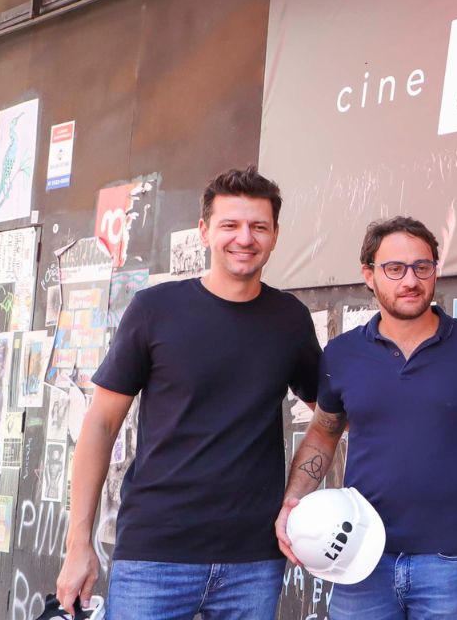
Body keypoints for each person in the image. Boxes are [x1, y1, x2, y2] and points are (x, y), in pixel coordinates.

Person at [57, 167, 321, 619]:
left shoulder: (290, 320)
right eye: (230, 225)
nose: (245, 238)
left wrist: (297, 493)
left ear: (275, 235)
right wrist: (78, 544)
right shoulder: (155, 310)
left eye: (259, 226)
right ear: (204, 231)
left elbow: (330, 415)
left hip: (253, 561)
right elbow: (100, 424)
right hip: (154, 556)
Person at [276, 216, 457, 618]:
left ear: (436, 269)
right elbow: (324, 433)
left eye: (422, 267)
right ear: (368, 274)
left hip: (452, 561)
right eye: (394, 269)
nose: (410, 281)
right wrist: (295, 498)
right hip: (359, 559)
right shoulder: (342, 354)